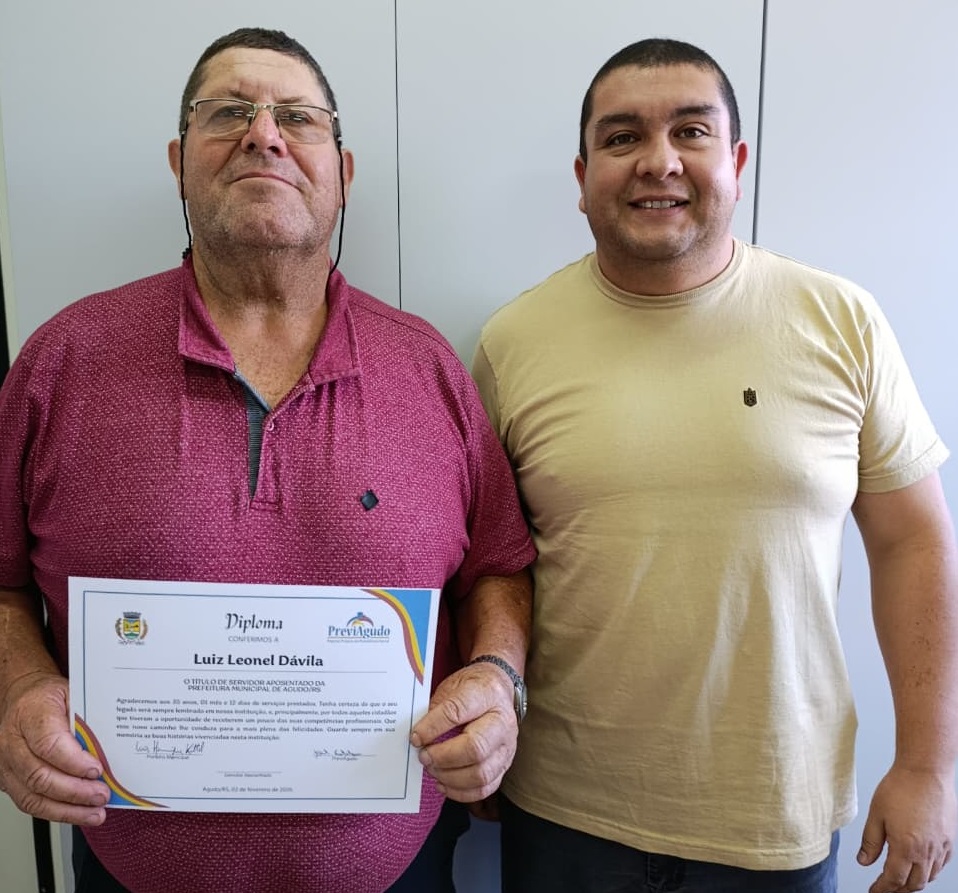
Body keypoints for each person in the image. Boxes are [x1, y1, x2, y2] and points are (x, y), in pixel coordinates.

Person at [0, 27, 535, 893]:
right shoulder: (63, 361)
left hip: (398, 869)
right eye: (226, 113)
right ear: (178, 162)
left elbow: (500, 567)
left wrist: (498, 678)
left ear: (343, 172)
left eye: (297, 117)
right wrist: (18, 686)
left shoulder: (429, 368)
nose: (263, 134)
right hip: (126, 869)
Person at [473, 37, 958, 893]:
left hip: (772, 818)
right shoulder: (512, 343)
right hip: (562, 814)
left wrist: (929, 765)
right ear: (582, 177)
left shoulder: (841, 320)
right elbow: (488, 563)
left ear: (735, 162)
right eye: (622, 137)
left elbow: (914, 542)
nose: (658, 161)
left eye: (691, 131)